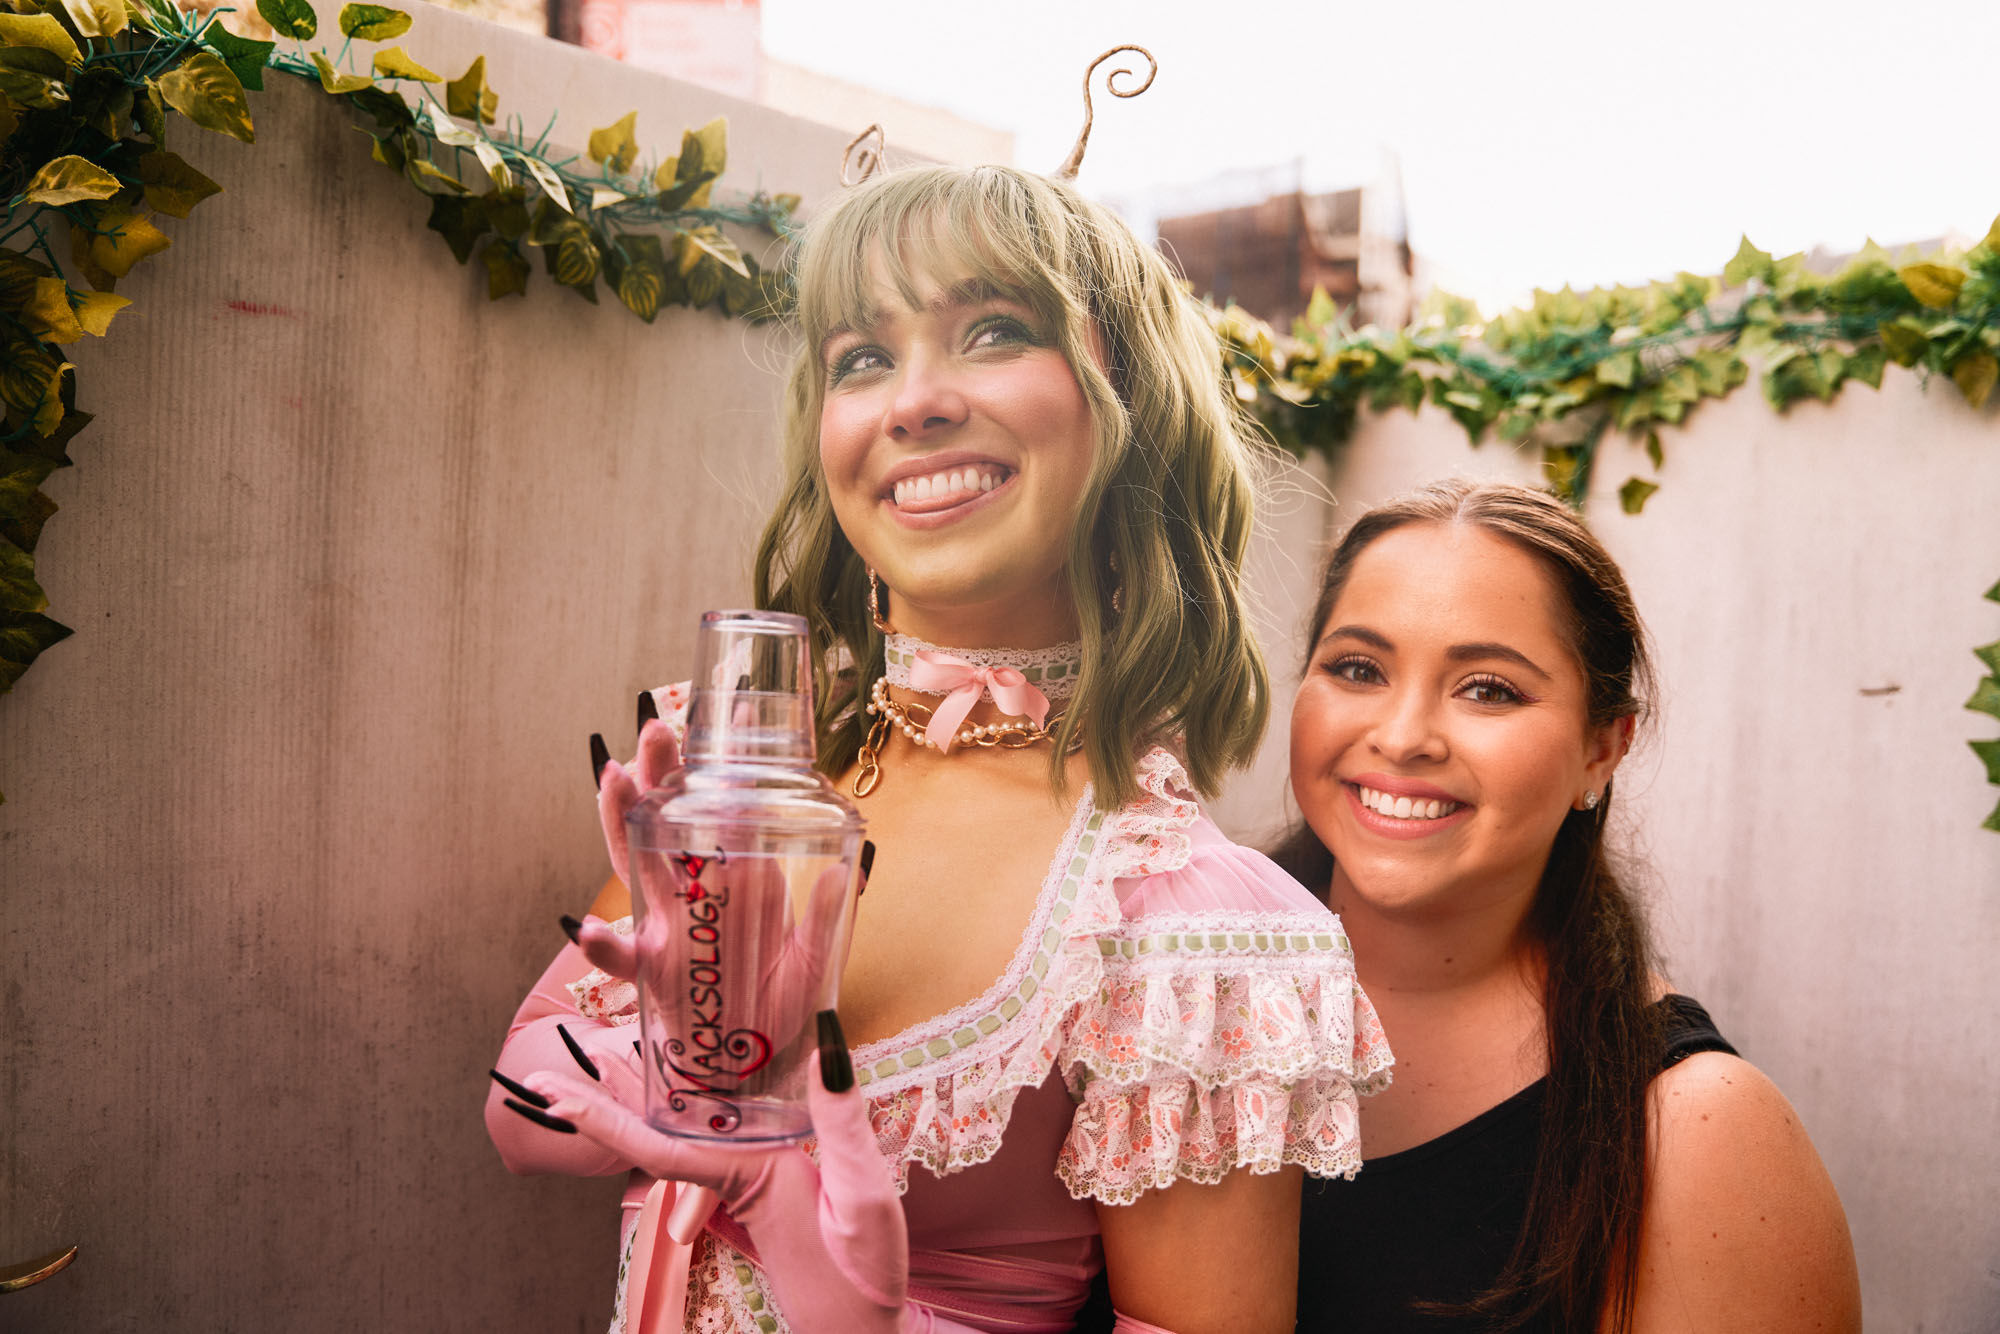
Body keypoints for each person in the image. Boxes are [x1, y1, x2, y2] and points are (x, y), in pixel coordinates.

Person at [484, 158, 1392, 1334]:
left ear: (1133, 414)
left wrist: (834, 1282)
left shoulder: (1195, 936)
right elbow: (523, 1108)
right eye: (861, 357)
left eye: (994, 330)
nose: (911, 401)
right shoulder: (742, 780)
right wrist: (708, 1056)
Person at [1275, 479, 1860, 1333]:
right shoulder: (1141, 989)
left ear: (1601, 748)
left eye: (1488, 689)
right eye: (1358, 668)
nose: (1402, 736)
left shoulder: (1694, 1134)